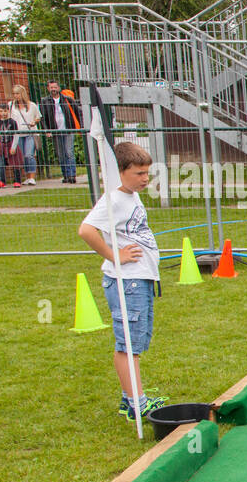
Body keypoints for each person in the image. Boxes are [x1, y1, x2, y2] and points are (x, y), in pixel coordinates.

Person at [77, 141, 168, 421]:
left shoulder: (130, 196)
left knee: (137, 343)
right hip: (127, 281)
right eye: (139, 173)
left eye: (146, 173)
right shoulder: (113, 199)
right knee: (128, 345)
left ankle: (130, 397)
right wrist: (114, 255)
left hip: (140, 278)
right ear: (119, 172)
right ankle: (136, 404)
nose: (145, 179)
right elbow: (86, 230)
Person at [40, 80, 83, 184]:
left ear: (58, 88)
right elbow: (43, 118)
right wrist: (47, 130)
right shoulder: (45, 101)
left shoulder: (67, 99)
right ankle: (65, 175)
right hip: (55, 131)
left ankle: (72, 175)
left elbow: (78, 112)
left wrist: (81, 126)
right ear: (48, 89)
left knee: (69, 152)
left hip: (68, 129)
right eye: (51, 87)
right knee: (61, 154)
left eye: (55, 87)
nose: (53, 89)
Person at [7, 85, 41, 186]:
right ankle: (27, 177)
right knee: (22, 156)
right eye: (14, 94)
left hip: (30, 133)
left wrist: (34, 122)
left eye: (17, 93)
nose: (15, 96)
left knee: (29, 155)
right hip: (17, 134)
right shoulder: (11, 105)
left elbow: (38, 117)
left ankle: (32, 177)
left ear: (22, 94)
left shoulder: (32, 105)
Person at [0, 104, 23, 188]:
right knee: (1, 164)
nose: (3, 113)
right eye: (1, 111)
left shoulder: (12, 122)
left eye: (5, 111)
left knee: (15, 163)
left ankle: (17, 181)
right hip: (1, 145)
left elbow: (16, 134)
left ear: (8, 111)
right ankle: (1, 181)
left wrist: (14, 147)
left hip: (11, 144)